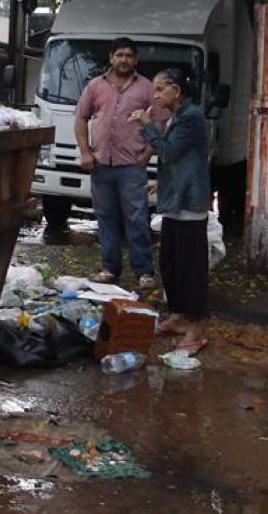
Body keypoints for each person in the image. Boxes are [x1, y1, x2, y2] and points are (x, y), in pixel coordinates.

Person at [129, 68, 210, 354]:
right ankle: (177, 317)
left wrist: (148, 124)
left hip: (190, 206)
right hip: (176, 202)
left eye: (161, 89)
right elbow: (181, 162)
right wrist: (159, 183)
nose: (156, 95)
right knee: (171, 264)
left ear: (177, 91)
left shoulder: (191, 117)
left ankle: (196, 330)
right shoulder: (180, 115)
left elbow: (168, 152)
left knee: (191, 270)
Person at [74, 37, 165, 289]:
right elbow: (81, 119)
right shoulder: (95, 86)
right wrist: (84, 152)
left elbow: (159, 123)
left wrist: (147, 153)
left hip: (131, 166)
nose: (124, 59)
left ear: (135, 60)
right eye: (119, 55)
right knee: (105, 218)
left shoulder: (147, 88)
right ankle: (110, 268)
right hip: (100, 164)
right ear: (111, 58)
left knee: (136, 219)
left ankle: (144, 271)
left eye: (128, 55)